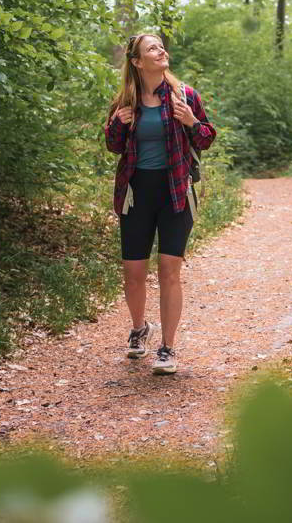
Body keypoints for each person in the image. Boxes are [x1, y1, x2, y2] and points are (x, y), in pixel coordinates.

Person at [104, 33, 216, 374]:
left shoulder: (185, 96)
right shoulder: (126, 100)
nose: (161, 50)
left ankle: (167, 349)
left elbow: (207, 137)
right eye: (152, 48)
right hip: (137, 193)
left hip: (175, 191)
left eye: (161, 46)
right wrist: (117, 125)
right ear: (137, 62)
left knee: (169, 271)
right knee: (134, 274)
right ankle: (140, 328)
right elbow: (113, 147)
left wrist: (191, 121)